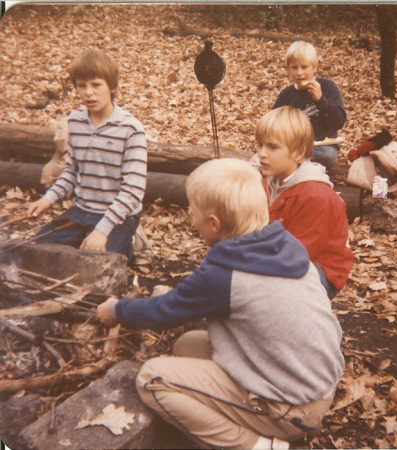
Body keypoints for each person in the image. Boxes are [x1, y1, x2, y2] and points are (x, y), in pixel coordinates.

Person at [96, 158, 345, 450]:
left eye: (193, 214)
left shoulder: (226, 273)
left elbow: (163, 311)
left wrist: (115, 310)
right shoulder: (283, 244)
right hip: (313, 385)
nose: (191, 220)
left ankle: (259, 445)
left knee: (153, 378)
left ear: (214, 223)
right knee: (188, 345)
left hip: (289, 408)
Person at [27, 48, 147, 262]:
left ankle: (130, 240)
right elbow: (71, 172)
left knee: (100, 264)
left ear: (112, 86)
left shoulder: (131, 128)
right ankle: (85, 235)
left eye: (96, 85)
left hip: (118, 217)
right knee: (35, 251)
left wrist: (102, 230)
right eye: (81, 86)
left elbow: (133, 190)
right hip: (80, 211)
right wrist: (48, 199)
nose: (88, 93)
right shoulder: (75, 121)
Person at [256, 106, 354, 299]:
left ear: (299, 152)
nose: (262, 154)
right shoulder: (268, 183)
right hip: (278, 254)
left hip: (319, 269)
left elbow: (297, 255)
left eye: (272, 147)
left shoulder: (315, 195)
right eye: (259, 145)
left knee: (259, 288)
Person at [272, 40, 346, 169]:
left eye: (304, 67)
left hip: (321, 146)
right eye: (294, 68)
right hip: (295, 146)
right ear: (288, 69)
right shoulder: (287, 95)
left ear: (314, 67)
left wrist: (321, 99)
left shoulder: (328, 87)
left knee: (327, 154)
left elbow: (339, 121)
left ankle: (294, 165)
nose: (299, 73)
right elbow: (273, 125)